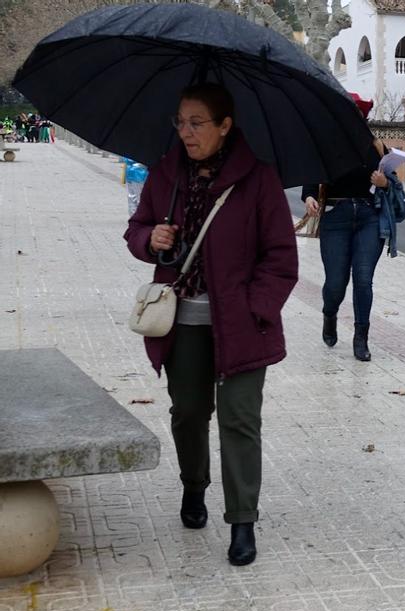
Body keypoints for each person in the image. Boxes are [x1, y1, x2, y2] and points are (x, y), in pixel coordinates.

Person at [124, 82, 298, 566]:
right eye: (180, 122)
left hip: (242, 326)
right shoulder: (166, 174)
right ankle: (193, 487)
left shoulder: (258, 180)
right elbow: (135, 229)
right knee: (188, 412)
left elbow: (281, 259)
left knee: (240, 420)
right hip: (182, 323)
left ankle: (242, 521)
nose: (186, 132)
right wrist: (150, 239)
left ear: (225, 126)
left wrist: (254, 307)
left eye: (197, 122)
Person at [301, 94, 390, 361]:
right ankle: (330, 313)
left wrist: (384, 182)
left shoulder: (376, 147)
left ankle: (361, 337)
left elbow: (392, 181)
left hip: (369, 216)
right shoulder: (326, 145)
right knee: (336, 283)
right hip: (336, 217)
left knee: (363, 279)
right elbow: (311, 180)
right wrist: (309, 197)